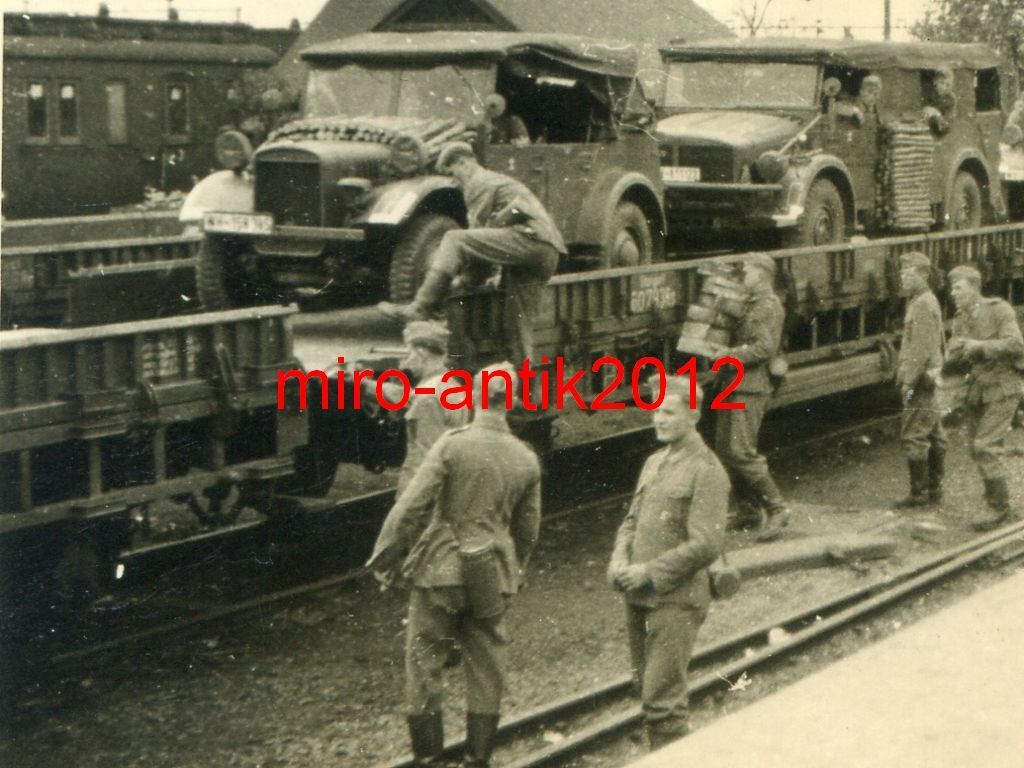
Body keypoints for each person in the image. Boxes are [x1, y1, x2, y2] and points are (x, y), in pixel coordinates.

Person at [366, 364, 541, 768]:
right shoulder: (526, 459)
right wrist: (514, 570)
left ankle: (429, 759)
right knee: (487, 667)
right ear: (512, 401)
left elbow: (411, 507)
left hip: (440, 572)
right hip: (492, 576)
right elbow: (528, 531)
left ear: (474, 396)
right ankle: (478, 759)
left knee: (424, 663)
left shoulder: (451, 445)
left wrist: (386, 557)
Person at [607, 377, 728, 749]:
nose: (658, 419)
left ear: (694, 415)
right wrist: (618, 558)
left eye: (668, 412)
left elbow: (707, 544)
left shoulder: (707, 470)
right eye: (655, 410)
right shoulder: (654, 462)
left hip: (676, 598)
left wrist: (649, 571)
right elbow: (631, 520)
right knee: (646, 688)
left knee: (663, 703)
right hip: (639, 595)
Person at [378, 142, 566, 363]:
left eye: (453, 174)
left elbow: (475, 244)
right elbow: (485, 247)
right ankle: (522, 380)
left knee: (454, 238)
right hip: (548, 251)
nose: (454, 182)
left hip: (529, 239)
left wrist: (465, 280)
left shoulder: (479, 183)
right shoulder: (497, 181)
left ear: (463, 163)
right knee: (517, 324)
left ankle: (419, 307)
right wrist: (469, 280)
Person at [714, 252, 789, 537]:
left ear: (761, 275)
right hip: (733, 385)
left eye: (747, 271)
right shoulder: (752, 304)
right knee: (725, 449)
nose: (743, 276)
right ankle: (747, 509)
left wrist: (729, 354)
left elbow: (764, 348)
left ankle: (778, 510)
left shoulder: (768, 306)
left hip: (750, 386)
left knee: (742, 452)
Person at [944, 264, 1024, 530]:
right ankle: (992, 497)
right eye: (952, 288)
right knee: (975, 447)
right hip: (978, 391)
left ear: (974, 288)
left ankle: (999, 507)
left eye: (958, 288)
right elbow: (956, 353)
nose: (953, 293)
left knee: (985, 446)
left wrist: (981, 346)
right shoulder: (961, 318)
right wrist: (954, 353)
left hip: (1003, 388)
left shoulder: (998, 310)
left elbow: (1017, 344)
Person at [387, 321, 470, 495]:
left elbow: (425, 460)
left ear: (421, 353)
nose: (405, 362)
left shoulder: (428, 396)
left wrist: (409, 502)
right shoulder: (452, 385)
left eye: (408, 354)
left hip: (423, 492)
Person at [893, 252, 947, 507]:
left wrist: (908, 382)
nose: (902, 276)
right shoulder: (922, 300)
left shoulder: (922, 303)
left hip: (920, 380)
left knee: (913, 433)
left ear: (923, 274)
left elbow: (920, 349)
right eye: (902, 272)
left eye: (908, 272)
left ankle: (920, 493)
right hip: (927, 377)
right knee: (933, 431)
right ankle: (934, 488)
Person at [923, 67, 957, 136]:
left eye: (948, 85)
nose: (944, 87)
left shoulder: (950, 99)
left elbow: (949, 116)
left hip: (941, 124)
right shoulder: (929, 93)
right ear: (935, 82)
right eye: (942, 83)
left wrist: (939, 116)